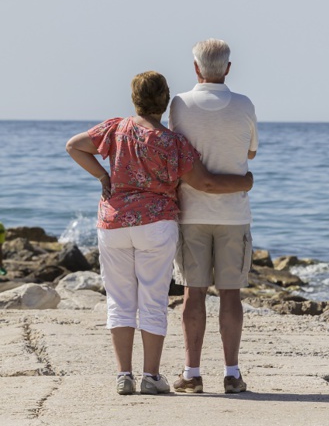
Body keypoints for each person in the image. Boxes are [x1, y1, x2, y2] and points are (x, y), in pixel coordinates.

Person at [66, 71, 253, 396]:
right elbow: (205, 183)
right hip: (156, 223)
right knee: (152, 300)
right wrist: (245, 182)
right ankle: (151, 376)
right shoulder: (173, 142)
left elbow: (74, 146)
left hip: (113, 224)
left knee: (120, 301)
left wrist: (103, 177)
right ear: (165, 102)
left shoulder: (115, 128)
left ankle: (124, 375)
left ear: (134, 99)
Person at [169, 39, 258, 394]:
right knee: (231, 295)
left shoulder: (179, 104)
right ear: (228, 68)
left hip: (190, 213)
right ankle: (232, 374)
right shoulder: (244, 104)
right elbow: (251, 150)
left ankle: (192, 374)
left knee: (193, 293)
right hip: (233, 214)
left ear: (195, 68)